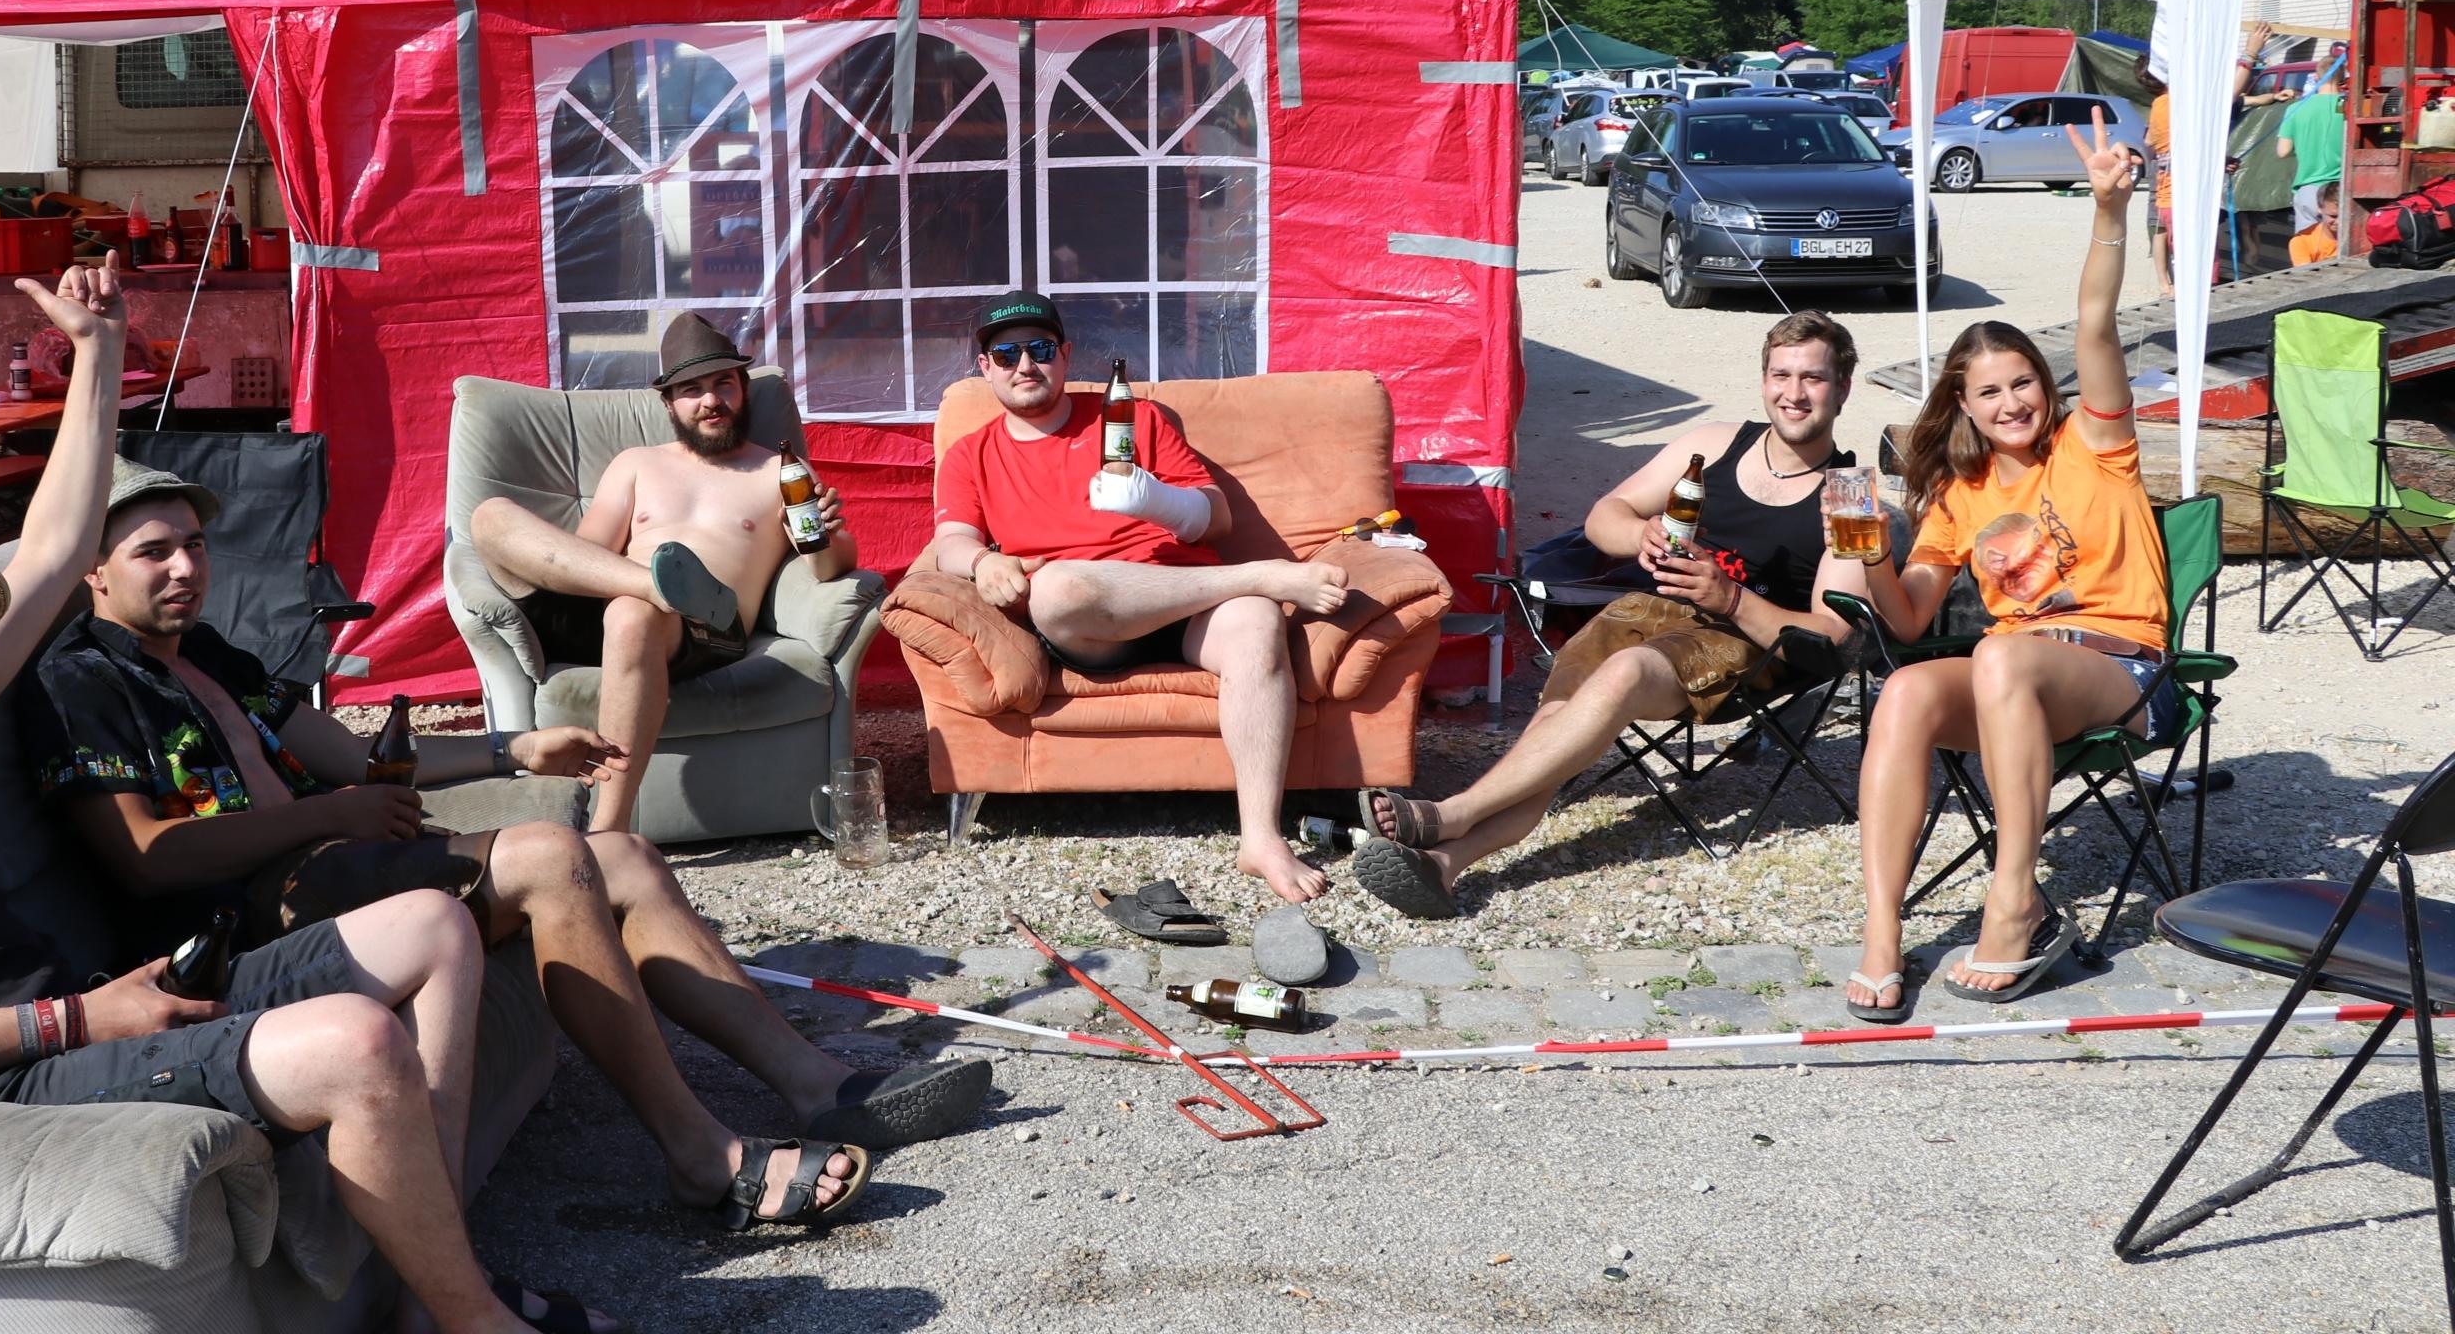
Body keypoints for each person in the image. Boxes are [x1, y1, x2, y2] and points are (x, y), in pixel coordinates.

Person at [0, 260, 589, 1334]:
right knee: (360, 1042)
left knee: (434, 923)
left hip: (97, 1009)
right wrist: (75, 1017)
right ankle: (471, 1321)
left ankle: (429, 1263)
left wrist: (97, 349)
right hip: (7, 1079)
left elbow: (49, 547)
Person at [18, 455, 987, 1184]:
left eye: (194, 544)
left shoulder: (211, 655)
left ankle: (816, 1080)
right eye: (154, 551)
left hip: (328, 863)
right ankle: (701, 1153)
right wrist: (337, 811)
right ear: (95, 571)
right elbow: (148, 858)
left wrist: (514, 747)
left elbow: (353, 752)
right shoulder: (81, 680)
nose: (186, 566)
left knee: (626, 854)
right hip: (244, 920)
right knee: (549, 857)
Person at [1353, 313, 1870, 919]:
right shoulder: (1716, 444)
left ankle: (1450, 813)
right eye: (1781, 375)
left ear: (1843, 388)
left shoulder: (1851, 496)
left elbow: (1835, 634)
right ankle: (1444, 867)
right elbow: (1605, 515)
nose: (1795, 393)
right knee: (1556, 730)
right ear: (1763, 380)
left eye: (1813, 378)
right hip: (1646, 613)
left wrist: (1729, 597)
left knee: (1623, 673)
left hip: (1742, 644)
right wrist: (1639, 536)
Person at [1841, 114, 2170, 1021]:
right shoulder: (1958, 492)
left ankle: (2015, 898)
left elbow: (2099, 321)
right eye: (1988, 392)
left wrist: (2109, 208)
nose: (2010, 401)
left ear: (2044, 385)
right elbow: (1907, 624)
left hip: (2119, 666)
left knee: (2001, 654)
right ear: (1965, 405)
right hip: (2010, 676)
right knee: (1905, 692)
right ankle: (1881, 932)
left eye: (2022, 381)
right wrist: (1867, 549)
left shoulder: (2095, 442)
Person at [920, 293, 1350, 904]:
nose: (1026, 365)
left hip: (1184, 601)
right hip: (1089, 622)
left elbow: (1217, 518)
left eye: (1041, 349)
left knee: (1257, 621)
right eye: (1006, 353)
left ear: (1065, 356)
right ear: (984, 366)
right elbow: (949, 543)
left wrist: (1155, 500)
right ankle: (1257, 576)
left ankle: (1260, 836)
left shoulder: (1133, 419)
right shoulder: (973, 453)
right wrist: (983, 561)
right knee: (1062, 586)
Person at [462, 313, 855, 832]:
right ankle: (659, 585)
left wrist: (824, 536)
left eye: (723, 384)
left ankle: (609, 829)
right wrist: (629, 580)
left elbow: (830, 567)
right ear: (669, 404)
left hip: (703, 629)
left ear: (743, 391)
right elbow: (587, 552)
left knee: (631, 615)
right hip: (603, 598)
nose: (711, 400)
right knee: (489, 516)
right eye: (692, 390)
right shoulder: (636, 462)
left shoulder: (777, 472)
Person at [2146, 18, 2272, 294]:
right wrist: (2250, 53)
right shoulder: (2173, 103)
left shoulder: (2162, 104)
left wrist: (2217, 161)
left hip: (2177, 199)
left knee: (2199, 270)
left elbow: (2183, 148)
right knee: (2197, 274)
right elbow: (2227, 96)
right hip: (2183, 202)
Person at [2275, 57, 2348, 240]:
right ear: (2343, 78)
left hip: (2308, 188)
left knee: (2307, 248)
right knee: (2342, 249)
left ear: (2316, 77)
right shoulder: (2350, 107)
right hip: (2342, 189)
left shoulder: (2296, 108)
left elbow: (2282, 151)